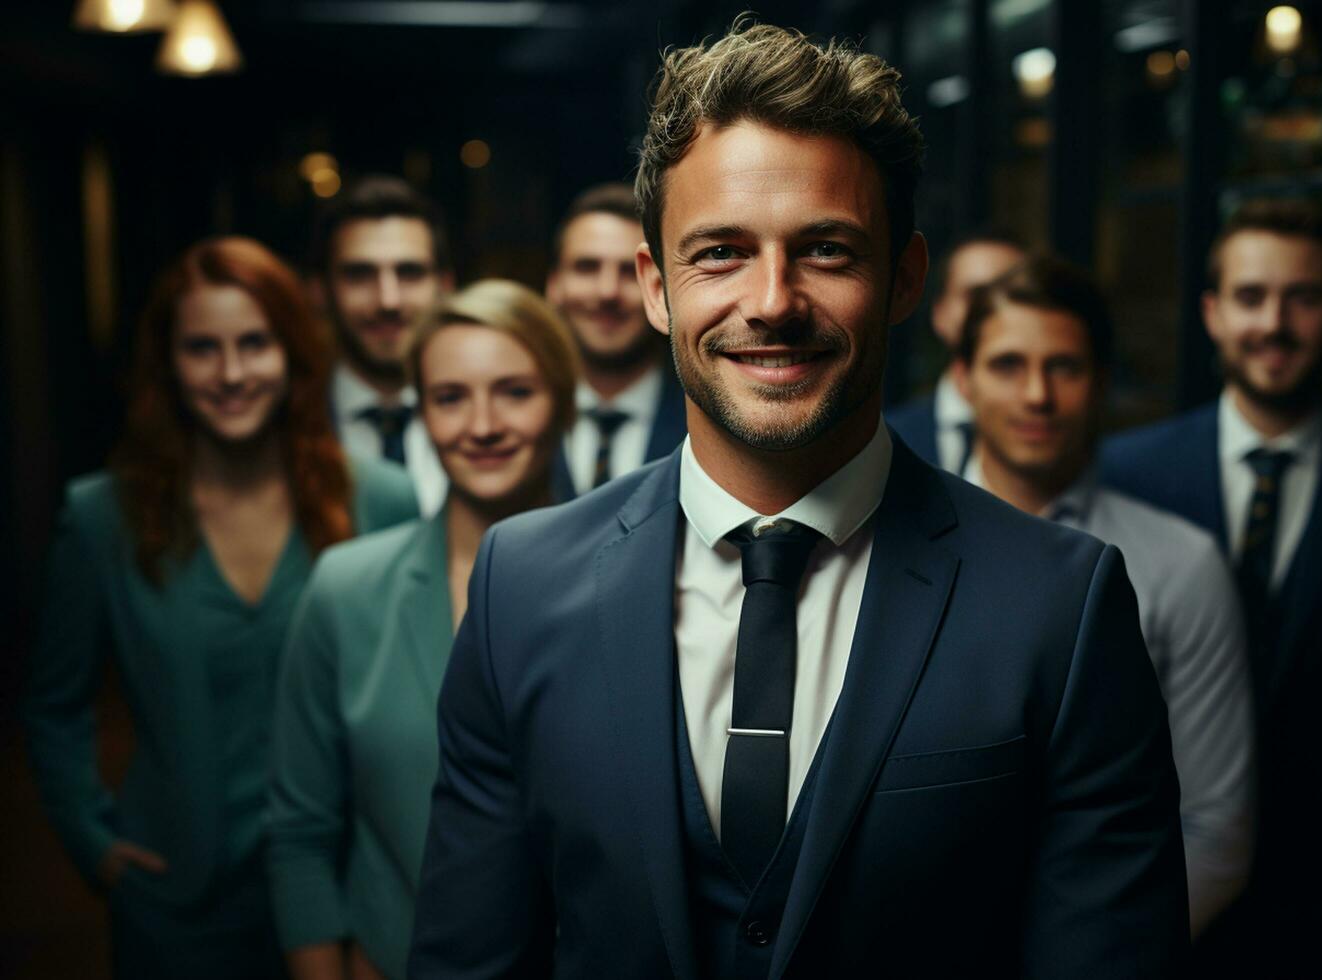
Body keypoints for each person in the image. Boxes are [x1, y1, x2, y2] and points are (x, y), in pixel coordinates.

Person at [411, 21, 1188, 978]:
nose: (773, 300)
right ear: (657, 287)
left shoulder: (1061, 608)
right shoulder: (519, 589)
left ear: (904, 278)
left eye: (826, 250)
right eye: (721, 252)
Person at [22, 237, 420, 980]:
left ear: (293, 355)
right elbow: (53, 703)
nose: (232, 373)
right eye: (203, 348)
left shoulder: (380, 500)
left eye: (255, 344)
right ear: (169, 365)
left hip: (347, 889)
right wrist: (91, 841)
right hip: (174, 899)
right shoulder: (102, 517)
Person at [1100, 199, 1322, 973]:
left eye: (1304, 298)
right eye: (1251, 296)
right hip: (1155, 896)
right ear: (1212, 312)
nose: (1275, 322)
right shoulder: (1128, 474)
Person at [268, 280, 578, 980]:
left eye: (515, 391)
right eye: (449, 397)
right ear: (421, 415)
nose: (482, 423)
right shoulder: (347, 591)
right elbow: (300, 832)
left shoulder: (638, 586)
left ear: (562, 401)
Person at [953, 253, 1255, 937]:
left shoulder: (1183, 565)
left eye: (1064, 367)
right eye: (1007, 365)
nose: (1037, 395)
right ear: (963, 379)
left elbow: (1216, 833)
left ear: (1101, 383)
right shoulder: (882, 538)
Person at [308, 174, 454, 514]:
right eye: (359, 274)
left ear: (445, 285)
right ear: (319, 291)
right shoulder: (289, 423)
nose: (388, 300)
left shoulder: (489, 420)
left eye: (409, 272)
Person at [545, 182, 685, 498]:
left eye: (628, 271)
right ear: (554, 285)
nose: (607, 291)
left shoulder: (703, 418)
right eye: (586, 267)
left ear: (657, 288)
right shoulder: (520, 415)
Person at [887, 231, 1023, 471]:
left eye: (1016, 295)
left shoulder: (1069, 442)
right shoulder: (889, 438)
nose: (996, 311)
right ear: (940, 314)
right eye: (977, 295)